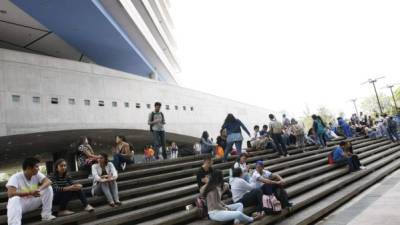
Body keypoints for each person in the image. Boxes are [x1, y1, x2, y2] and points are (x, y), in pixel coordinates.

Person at [6, 157, 56, 225]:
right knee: (14, 198)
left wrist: (38, 189)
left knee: (48, 188)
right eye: (36, 166)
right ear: (29, 167)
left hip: (33, 202)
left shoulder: (37, 174)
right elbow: (10, 193)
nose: (38, 168)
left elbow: (48, 181)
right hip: (20, 205)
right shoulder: (15, 177)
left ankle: (46, 215)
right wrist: (30, 192)